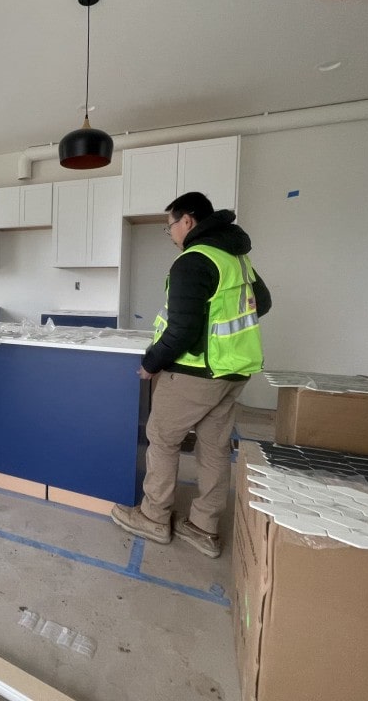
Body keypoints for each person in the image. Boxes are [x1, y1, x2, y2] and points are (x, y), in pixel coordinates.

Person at [111, 192, 271, 558]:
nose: (170, 233)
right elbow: (262, 303)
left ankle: (153, 517)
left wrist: (151, 364)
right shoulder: (236, 258)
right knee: (214, 446)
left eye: (170, 225)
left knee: (162, 438)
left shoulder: (193, 261)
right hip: (235, 370)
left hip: (195, 372)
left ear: (188, 220)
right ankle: (204, 527)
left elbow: (181, 329)